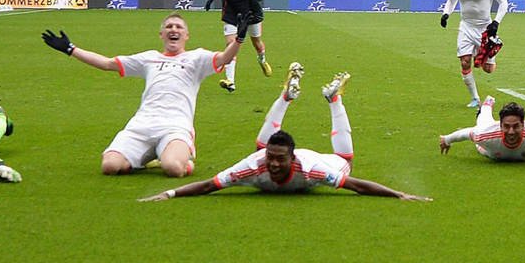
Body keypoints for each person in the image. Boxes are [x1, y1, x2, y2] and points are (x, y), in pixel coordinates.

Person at [139, 71, 429, 201]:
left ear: (293, 157)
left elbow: (356, 186)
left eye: (280, 160)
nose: (274, 164)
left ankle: (334, 101)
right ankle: (290, 97)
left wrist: (399, 194)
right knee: (261, 144)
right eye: (272, 159)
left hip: (323, 159)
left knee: (345, 161)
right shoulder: (254, 164)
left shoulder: (313, 170)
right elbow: (209, 186)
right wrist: (170, 193)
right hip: (283, 155)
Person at [40, 14, 244, 177]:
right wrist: (70, 49)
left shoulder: (197, 58)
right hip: (141, 125)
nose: (174, 30)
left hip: (175, 126)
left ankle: (183, 159)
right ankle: (151, 156)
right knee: (110, 166)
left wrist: (239, 39)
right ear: (161, 35)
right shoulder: (149, 58)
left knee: (173, 168)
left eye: (179, 27)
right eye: (169, 27)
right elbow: (107, 64)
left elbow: (226, 57)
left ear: (187, 36)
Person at [441, 0, 508, 107]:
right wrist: (446, 14)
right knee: (465, 62)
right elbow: (451, 1)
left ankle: (488, 53)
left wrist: (496, 22)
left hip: (485, 28)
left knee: (488, 69)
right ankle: (475, 98)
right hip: (466, 27)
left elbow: (503, 2)